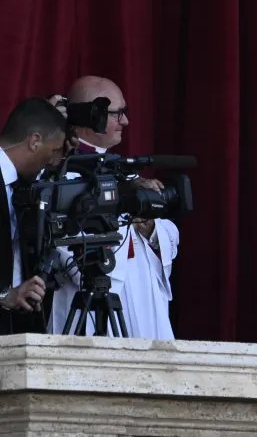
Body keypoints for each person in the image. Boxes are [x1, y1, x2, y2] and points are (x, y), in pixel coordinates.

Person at [47, 76, 181, 340]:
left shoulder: (127, 174)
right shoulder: (59, 173)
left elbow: (170, 234)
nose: (126, 122)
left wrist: (150, 227)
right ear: (91, 113)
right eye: (117, 113)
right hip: (89, 303)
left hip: (144, 305)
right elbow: (63, 249)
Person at [0, 98, 67, 334]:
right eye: (54, 151)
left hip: (15, 328)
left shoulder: (25, 188)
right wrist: (5, 295)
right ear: (35, 141)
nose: (53, 161)